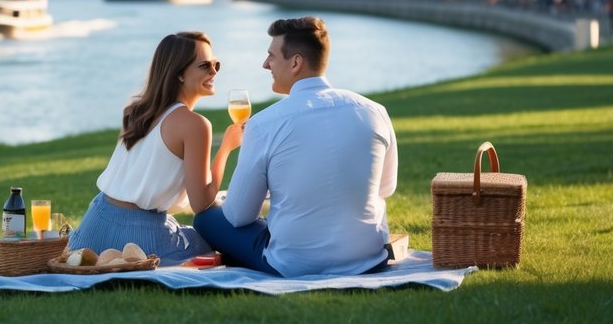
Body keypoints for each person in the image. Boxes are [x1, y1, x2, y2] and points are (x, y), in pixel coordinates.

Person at [194, 16, 397, 276]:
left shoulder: (264, 124)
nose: (265, 64)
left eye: (271, 56)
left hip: (293, 264)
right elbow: (386, 188)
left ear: (296, 62)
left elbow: (238, 217)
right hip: (367, 258)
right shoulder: (375, 112)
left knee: (206, 219)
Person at [67, 31, 243, 265]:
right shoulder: (196, 125)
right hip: (141, 235)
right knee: (220, 242)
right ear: (179, 73)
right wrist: (226, 149)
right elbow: (201, 203)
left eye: (216, 64)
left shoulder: (136, 110)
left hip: (94, 225)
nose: (214, 72)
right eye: (204, 66)